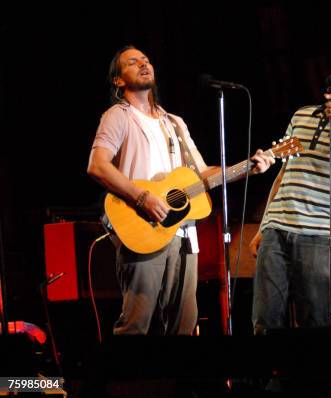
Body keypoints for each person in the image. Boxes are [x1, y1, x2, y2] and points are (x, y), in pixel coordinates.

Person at [87, 45, 275, 335]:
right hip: (143, 227)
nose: (143, 64)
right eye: (132, 62)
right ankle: (124, 380)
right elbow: (98, 166)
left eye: (146, 60)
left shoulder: (174, 122)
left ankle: (179, 381)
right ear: (118, 80)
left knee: (185, 324)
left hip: (184, 232)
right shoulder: (118, 116)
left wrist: (247, 166)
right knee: (136, 323)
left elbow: (202, 175)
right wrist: (142, 197)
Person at [249, 57, 331, 335]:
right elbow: (285, 170)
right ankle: (266, 379)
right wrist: (264, 224)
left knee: (315, 321)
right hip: (277, 228)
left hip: (318, 234)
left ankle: (310, 380)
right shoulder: (301, 115)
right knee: (265, 319)